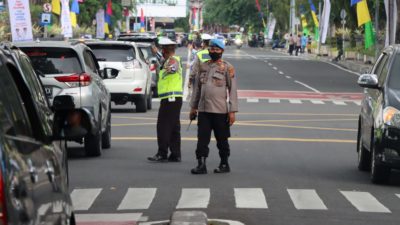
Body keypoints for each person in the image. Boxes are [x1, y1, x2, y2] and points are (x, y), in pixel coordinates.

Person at [189, 39, 239, 174]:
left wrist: (232, 111)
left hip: (220, 111)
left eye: (217, 49)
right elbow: (197, 89)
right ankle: (201, 164)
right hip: (204, 110)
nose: (214, 51)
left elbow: (232, 90)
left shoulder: (228, 68)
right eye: (211, 49)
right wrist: (193, 107)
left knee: (222, 140)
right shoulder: (203, 66)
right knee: (202, 139)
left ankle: (224, 163)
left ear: (222, 51)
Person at [148, 38, 183, 162]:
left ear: (167, 50)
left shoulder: (173, 60)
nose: (161, 52)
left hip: (171, 98)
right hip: (172, 98)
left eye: (163, 49)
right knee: (174, 127)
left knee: (163, 126)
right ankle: (175, 154)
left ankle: (162, 152)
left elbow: (173, 66)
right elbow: (162, 60)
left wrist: (171, 68)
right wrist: (155, 51)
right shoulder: (166, 59)